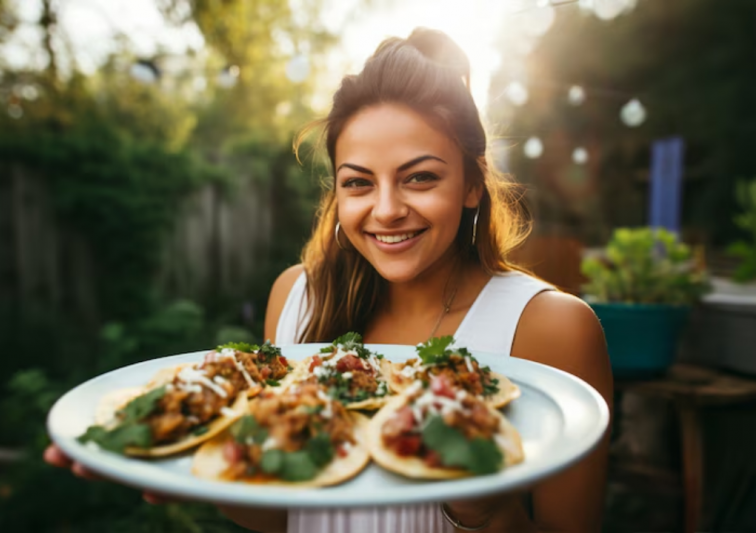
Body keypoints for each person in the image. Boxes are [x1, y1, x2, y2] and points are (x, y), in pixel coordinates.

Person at [45, 27, 613, 533]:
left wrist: (478, 503)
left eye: (419, 177)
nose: (386, 210)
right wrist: (184, 475)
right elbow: (280, 512)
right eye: (359, 183)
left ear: (471, 184)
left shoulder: (552, 328)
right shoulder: (293, 297)